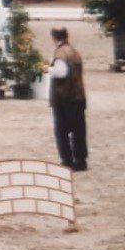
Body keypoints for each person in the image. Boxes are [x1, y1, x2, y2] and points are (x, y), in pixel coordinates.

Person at [47, 26, 87, 171]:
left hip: (64, 97)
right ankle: (81, 160)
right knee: (78, 131)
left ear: (54, 37)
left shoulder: (60, 53)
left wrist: (47, 69)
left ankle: (67, 160)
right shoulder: (74, 52)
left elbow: (61, 72)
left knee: (62, 131)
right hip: (78, 96)